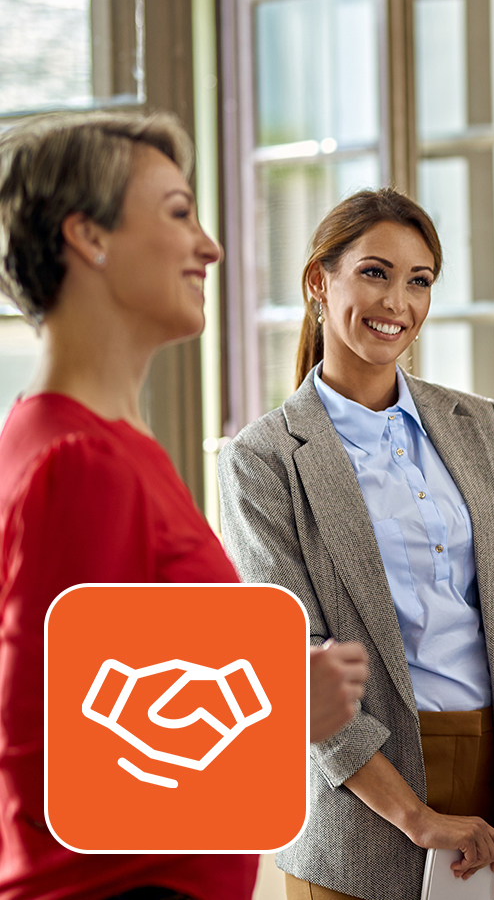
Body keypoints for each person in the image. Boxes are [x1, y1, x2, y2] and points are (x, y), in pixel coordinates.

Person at [0, 111, 367, 900]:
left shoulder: (83, 444)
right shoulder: (81, 465)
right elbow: (65, 774)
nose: (211, 247)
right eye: (177, 213)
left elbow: (119, 702)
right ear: (88, 237)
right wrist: (277, 714)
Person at [217, 188, 494, 900]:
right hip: (355, 817)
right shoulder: (262, 458)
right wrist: (413, 815)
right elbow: (293, 660)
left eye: (419, 280)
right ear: (319, 282)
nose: (397, 303)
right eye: (374, 273)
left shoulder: (479, 427)